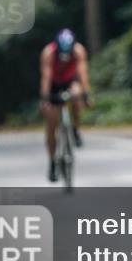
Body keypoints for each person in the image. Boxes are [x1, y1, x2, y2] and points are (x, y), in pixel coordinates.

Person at [39, 28, 92, 182]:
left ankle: (75, 129)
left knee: (76, 96)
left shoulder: (78, 50)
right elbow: (46, 77)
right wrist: (45, 98)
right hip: (54, 84)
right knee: (51, 124)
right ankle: (52, 163)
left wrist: (86, 95)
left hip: (71, 81)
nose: (64, 58)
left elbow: (82, 73)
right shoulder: (48, 52)